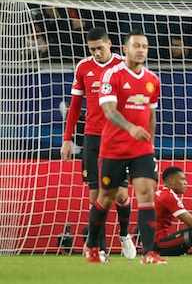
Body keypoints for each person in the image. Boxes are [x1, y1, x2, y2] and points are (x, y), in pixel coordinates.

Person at [85, 29, 164, 264]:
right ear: (125, 49)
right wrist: (130, 128)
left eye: (144, 46)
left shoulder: (153, 80)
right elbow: (109, 110)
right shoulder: (112, 75)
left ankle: (149, 253)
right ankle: (92, 246)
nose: (141, 50)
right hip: (114, 148)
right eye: (136, 45)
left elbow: (151, 116)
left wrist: (150, 143)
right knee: (106, 198)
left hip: (141, 149)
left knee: (146, 195)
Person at [61, 27, 136, 262]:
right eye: (92, 49)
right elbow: (74, 106)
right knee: (95, 196)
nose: (96, 53)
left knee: (121, 194)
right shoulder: (83, 67)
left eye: (100, 48)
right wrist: (66, 139)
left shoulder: (125, 65)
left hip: (118, 137)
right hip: (92, 137)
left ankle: (124, 235)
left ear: (110, 44)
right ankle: (100, 250)